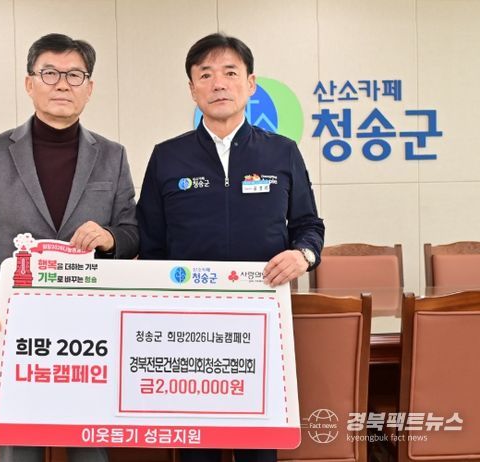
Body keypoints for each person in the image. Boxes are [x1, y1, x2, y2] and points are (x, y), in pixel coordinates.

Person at [136, 33, 325, 462]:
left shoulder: (282, 152)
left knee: (258, 447)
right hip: (187, 330)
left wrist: (303, 255)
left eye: (229, 73)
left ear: (251, 84)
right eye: (205, 75)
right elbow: (151, 244)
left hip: (261, 324)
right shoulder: (167, 157)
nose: (218, 83)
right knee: (196, 449)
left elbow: (308, 226)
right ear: (192, 89)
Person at [0, 33, 138, 462]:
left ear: (89, 88)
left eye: (75, 75)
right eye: (49, 73)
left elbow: (132, 231)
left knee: (90, 452)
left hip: (91, 331)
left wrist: (110, 238)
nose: (62, 84)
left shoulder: (112, 155)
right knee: (19, 451)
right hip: (15, 328)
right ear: (29, 83)